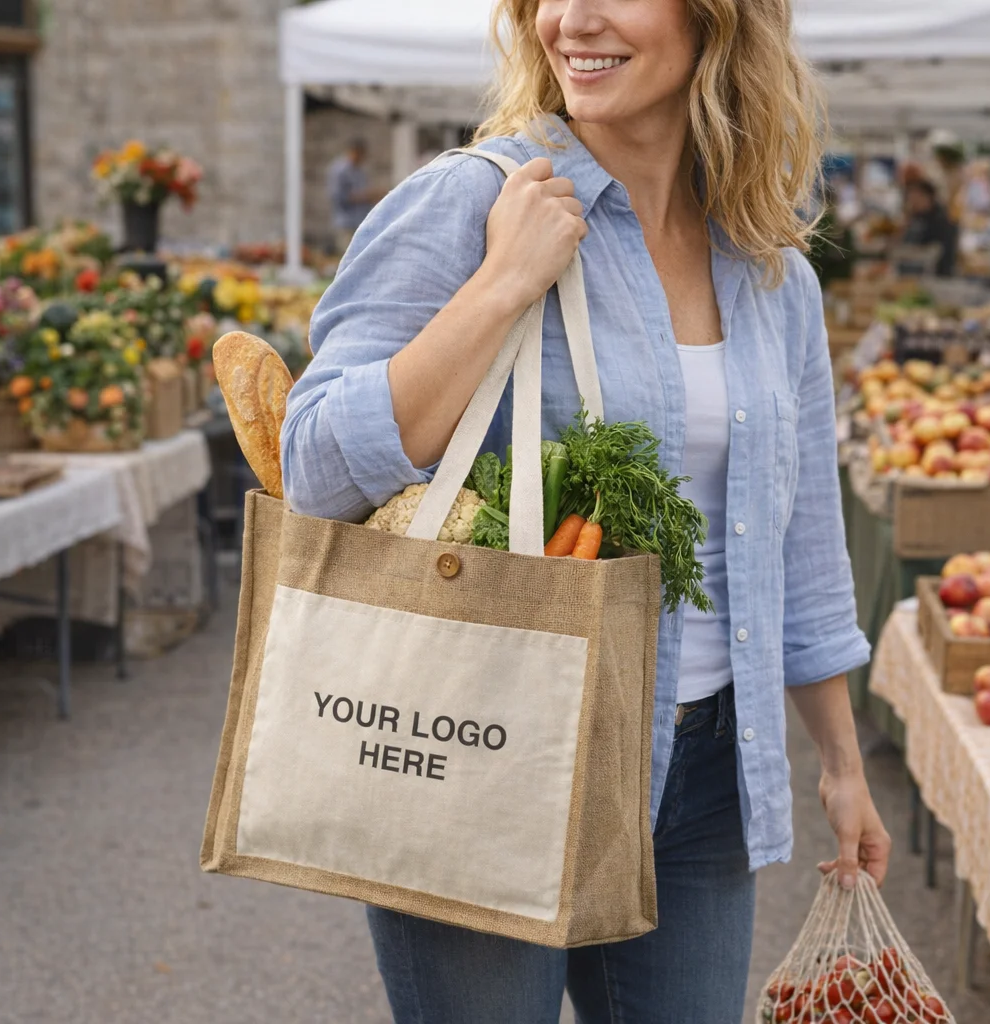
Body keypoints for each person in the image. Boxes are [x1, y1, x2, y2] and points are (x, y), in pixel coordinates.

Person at [282, 1, 891, 1021]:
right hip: (487, 747)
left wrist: (839, 759)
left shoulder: (767, 264)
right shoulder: (471, 201)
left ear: (716, 20)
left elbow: (797, 535)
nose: (573, 18)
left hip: (702, 773)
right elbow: (313, 468)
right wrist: (501, 283)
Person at [327, 138, 385, 254]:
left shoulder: (360, 171)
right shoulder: (340, 170)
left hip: (361, 221)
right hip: (346, 222)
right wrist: (365, 196)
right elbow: (338, 197)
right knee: (348, 257)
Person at [902, 179, 959, 277]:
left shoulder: (941, 221)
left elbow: (938, 254)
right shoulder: (917, 217)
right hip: (910, 272)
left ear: (928, 197)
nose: (912, 201)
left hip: (932, 276)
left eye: (916, 197)